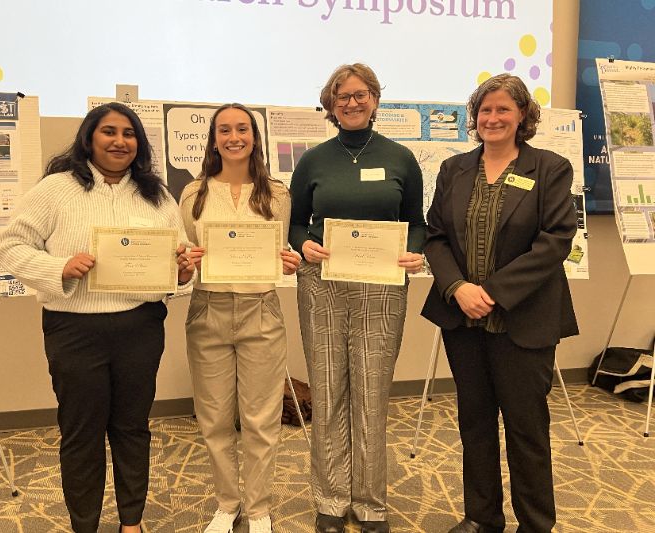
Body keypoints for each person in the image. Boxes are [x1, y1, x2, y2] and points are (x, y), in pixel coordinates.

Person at [0, 102, 197, 533]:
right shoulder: (55, 188)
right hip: (74, 329)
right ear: (89, 137)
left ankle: (131, 521)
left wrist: (181, 272)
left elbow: (176, 258)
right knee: (81, 433)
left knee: (131, 428)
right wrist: (58, 268)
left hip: (140, 326)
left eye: (128, 134)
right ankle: (83, 523)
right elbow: (10, 246)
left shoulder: (156, 194)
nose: (119, 141)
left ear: (138, 143)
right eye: (109, 131)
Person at [422, 74, 579, 533]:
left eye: (503, 109)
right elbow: (436, 237)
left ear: (523, 116)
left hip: (523, 320)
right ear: (474, 118)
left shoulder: (550, 168)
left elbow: (555, 242)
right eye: (485, 110)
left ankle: (535, 524)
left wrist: (490, 292)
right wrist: (457, 289)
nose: (492, 118)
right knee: (474, 423)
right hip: (462, 320)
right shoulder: (454, 170)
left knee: (526, 429)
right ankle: (481, 518)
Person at [289, 64, 426, 533]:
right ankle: (330, 501)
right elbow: (294, 222)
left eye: (361, 94)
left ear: (374, 99)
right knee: (327, 395)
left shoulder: (401, 158)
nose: (351, 102)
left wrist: (417, 252)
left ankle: (370, 505)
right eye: (342, 95)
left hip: (382, 289)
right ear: (330, 104)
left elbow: (418, 223)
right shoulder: (314, 160)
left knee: (371, 397)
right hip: (322, 284)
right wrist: (302, 242)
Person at [178, 103, 301, 533]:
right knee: (213, 419)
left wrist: (289, 262)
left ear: (255, 136)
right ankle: (228, 503)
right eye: (225, 129)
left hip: (260, 310)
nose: (234, 137)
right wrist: (185, 263)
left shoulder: (278, 194)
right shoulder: (194, 195)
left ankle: (259, 507)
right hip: (207, 310)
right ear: (213, 139)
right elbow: (182, 262)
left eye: (243, 129)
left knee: (261, 418)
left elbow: (283, 253)